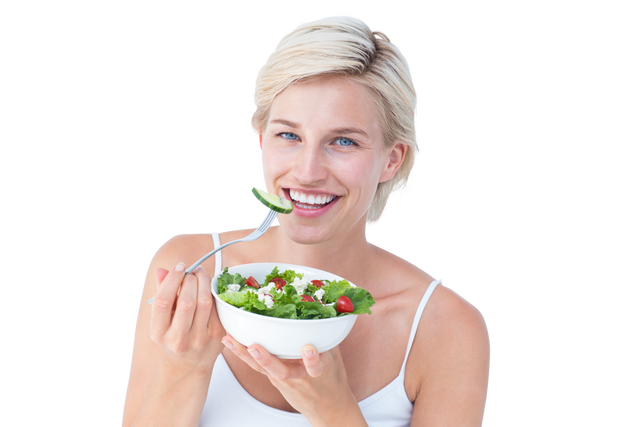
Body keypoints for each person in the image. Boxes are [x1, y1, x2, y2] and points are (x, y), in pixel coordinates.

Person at [122, 8, 491, 427]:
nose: (308, 171)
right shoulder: (189, 266)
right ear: (261, 138)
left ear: (391, 159)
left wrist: (334, 411)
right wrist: (183, 369)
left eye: (344, 141)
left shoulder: (447, 327)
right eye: (289, 135)